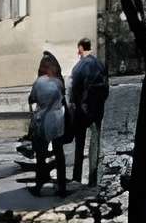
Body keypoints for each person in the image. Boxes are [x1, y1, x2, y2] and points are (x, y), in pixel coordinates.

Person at [68, 36, 109, 184]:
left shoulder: (78, 67)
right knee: (95, 143)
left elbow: (73, 93)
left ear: (80, 48)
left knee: (79, 145)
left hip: (82, 111)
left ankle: (77, 177)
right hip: (97, 109)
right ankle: (93, 178)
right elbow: (106, 89)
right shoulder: (100, 64)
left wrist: (76, 107)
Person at [28, 51, 67, 196]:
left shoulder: (38, 83)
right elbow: (63, 97)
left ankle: (39, 186)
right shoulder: (57, 82)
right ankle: (62, 187)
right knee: (59, 154)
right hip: (57, 120)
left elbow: (32, 99)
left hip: (42, 121)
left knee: (41, 155)